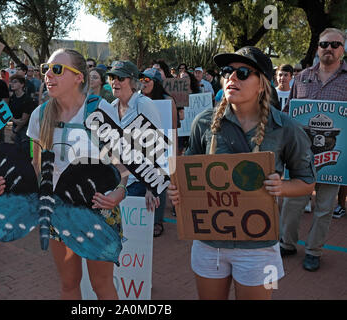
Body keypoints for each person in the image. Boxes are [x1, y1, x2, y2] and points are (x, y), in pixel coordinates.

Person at [168, 46, 316, 300]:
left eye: (243, 72)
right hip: (208, 243)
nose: (232, 78)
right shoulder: (203, 123)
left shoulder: (286, 128)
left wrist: (282, 187)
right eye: (227, 71)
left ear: (262, 84)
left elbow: (307, 182)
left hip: (258, 248)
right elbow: (187, 173)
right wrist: (178, 190)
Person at [0, 49, 128, 300]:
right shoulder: (40, 114)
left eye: (57, 69)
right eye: (46, 69)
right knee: (68, 284)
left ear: (79, 77)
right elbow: (36, 167)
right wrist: (10, 186)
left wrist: (120, 192)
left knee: (102, 285)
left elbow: (122, 164)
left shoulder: (101, 110)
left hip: (98, 209)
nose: (48, 76)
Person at [280, 28, 347, 271]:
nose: (329, 48)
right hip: (301, 155)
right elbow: (288, 113)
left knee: (325, 207)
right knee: (292, 202)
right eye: (324, 44)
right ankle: (286, 243)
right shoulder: (302, 78)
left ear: (343, 49)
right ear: (318, 47)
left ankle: (313, 250)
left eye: (335, 44)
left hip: (334, 159)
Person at [105, 61, 163, 216]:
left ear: (132, 82)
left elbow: (157, 147)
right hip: (118, 183)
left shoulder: (144, 104)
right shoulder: (111, 106)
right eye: (112, 77)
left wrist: (151, 188)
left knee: (134, 238)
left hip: (139, 183)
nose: (115, 82)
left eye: (120, 78)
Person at [139, 67, 177, 237]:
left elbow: (173, 128)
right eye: (141, 79)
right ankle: (142, 220)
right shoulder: (137, 100)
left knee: (158, 184)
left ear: (157, 83)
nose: (143, 83)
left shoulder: (168, 101)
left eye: (147, 80)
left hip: (162, 149)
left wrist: (172, 154)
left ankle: (157, 221)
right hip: (140, 149)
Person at [8, 74, 35, 158]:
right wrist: (15, 121)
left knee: (25, 154)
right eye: (11, 82)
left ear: (22, 84)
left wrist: (15, 131)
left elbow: (23, 121)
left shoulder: (27, 99)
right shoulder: (12, 98)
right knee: (17, 154)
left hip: (25, 130)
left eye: (15, 82)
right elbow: (8, 115)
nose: (12, 84)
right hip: (15, 127)